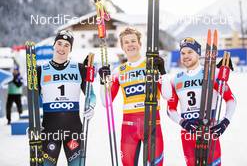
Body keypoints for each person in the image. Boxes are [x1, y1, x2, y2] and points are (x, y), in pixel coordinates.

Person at [98, 27, 172, 166]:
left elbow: (167, 95)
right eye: (126, 42)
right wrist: (103, 82)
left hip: (152, 126)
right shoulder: (118, 71)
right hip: (128, 129)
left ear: (140, 44)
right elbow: (106, 103)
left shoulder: (151, 65)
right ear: (122, 46)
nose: (130, 44)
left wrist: (162, 71)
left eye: (133, 41)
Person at [167, 37, 236, 166]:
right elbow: (170, 109)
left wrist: (225, 121)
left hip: (209, 131)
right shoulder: (175, 79)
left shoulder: (213, 74)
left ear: (198, 53)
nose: (186, 56)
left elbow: (231, 100)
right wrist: (183, 123)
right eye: (183, 53)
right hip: (188, 134)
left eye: (190, 52)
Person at [37, 30, 96, 166]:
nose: (62, 48)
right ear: (54, 45)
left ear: (70, 49)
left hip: (73, 131)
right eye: (59, 43)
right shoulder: (40, 70)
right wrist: (33, 123)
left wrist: (91, 106)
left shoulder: (79, 68)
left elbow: (90, 94)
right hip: (49, 131)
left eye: (66, 45)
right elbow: (33, 100)